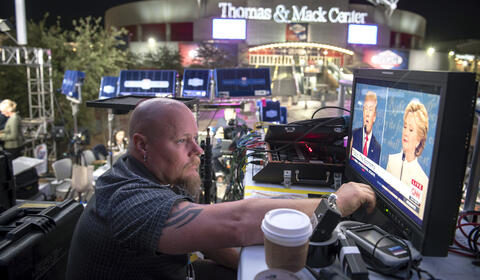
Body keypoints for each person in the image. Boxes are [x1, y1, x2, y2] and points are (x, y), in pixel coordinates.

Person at [66, 98, 376, 280]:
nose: (198, 152)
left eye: (195, 139)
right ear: (141, 145)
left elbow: (208, 239)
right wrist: (335, 202)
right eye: (181, 141)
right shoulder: (127, 201)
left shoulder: (148, 177)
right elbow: (236, 222)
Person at [386, 100, 429, 217]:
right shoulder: (392, 160)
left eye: (411, 130)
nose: (405, 133)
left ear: (419, 138)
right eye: (405, 127)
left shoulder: (423, 181)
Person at [351, 91, 381, 164]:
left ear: (374, 116)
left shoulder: (377, 147)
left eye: (370, 110)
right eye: (365, 109)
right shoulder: (354, 135)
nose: (367, 114)